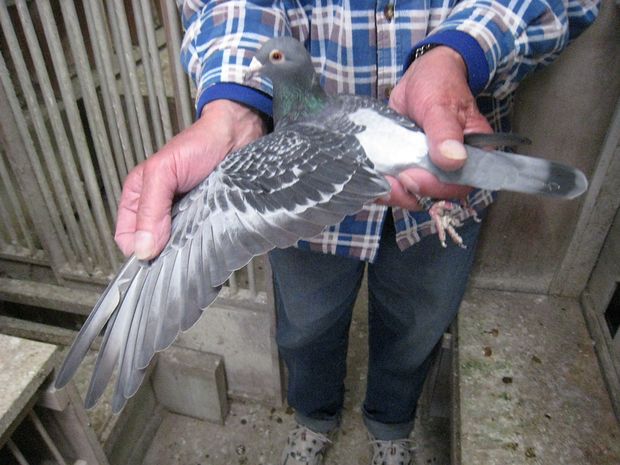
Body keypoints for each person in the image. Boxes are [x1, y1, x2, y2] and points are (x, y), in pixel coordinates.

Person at [114, 2, 599, 464]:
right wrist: (234, 106)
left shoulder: (306, 126)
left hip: (442, 160)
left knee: (417, 328)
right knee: (305, 331)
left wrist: (459, 50)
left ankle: (391, 424)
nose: (261, 67)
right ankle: (314, 418)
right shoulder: (289, 131)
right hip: (323, 218)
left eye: (271, 61)